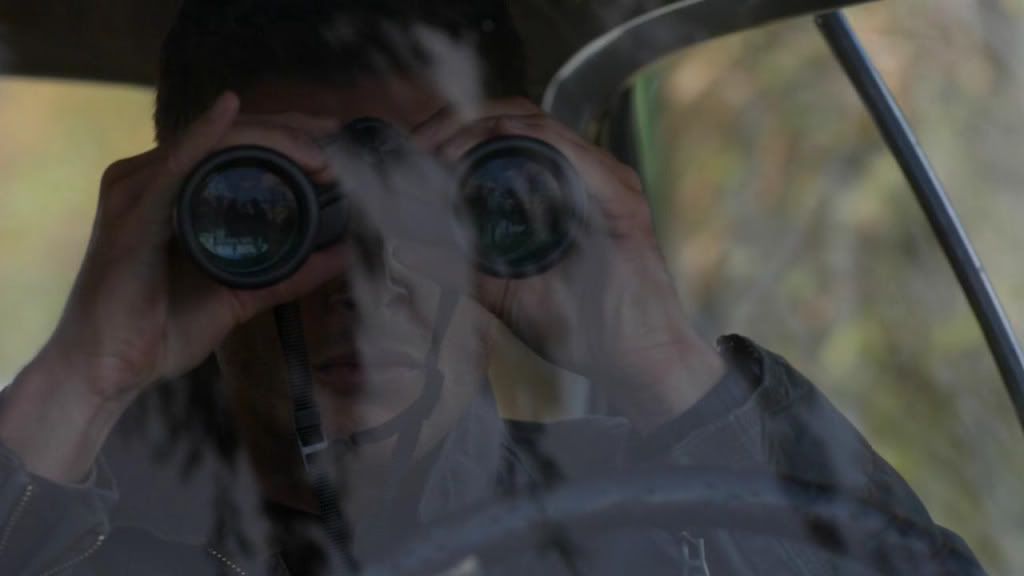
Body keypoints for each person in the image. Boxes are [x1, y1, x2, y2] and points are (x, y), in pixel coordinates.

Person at [0, 1, 985, 575]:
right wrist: (81, 376)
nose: (366, 280)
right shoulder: (67, 529)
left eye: (431, 208)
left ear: (520, 219)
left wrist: (667, 361)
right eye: (267, 213)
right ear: (180, 231)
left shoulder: (660, 516)